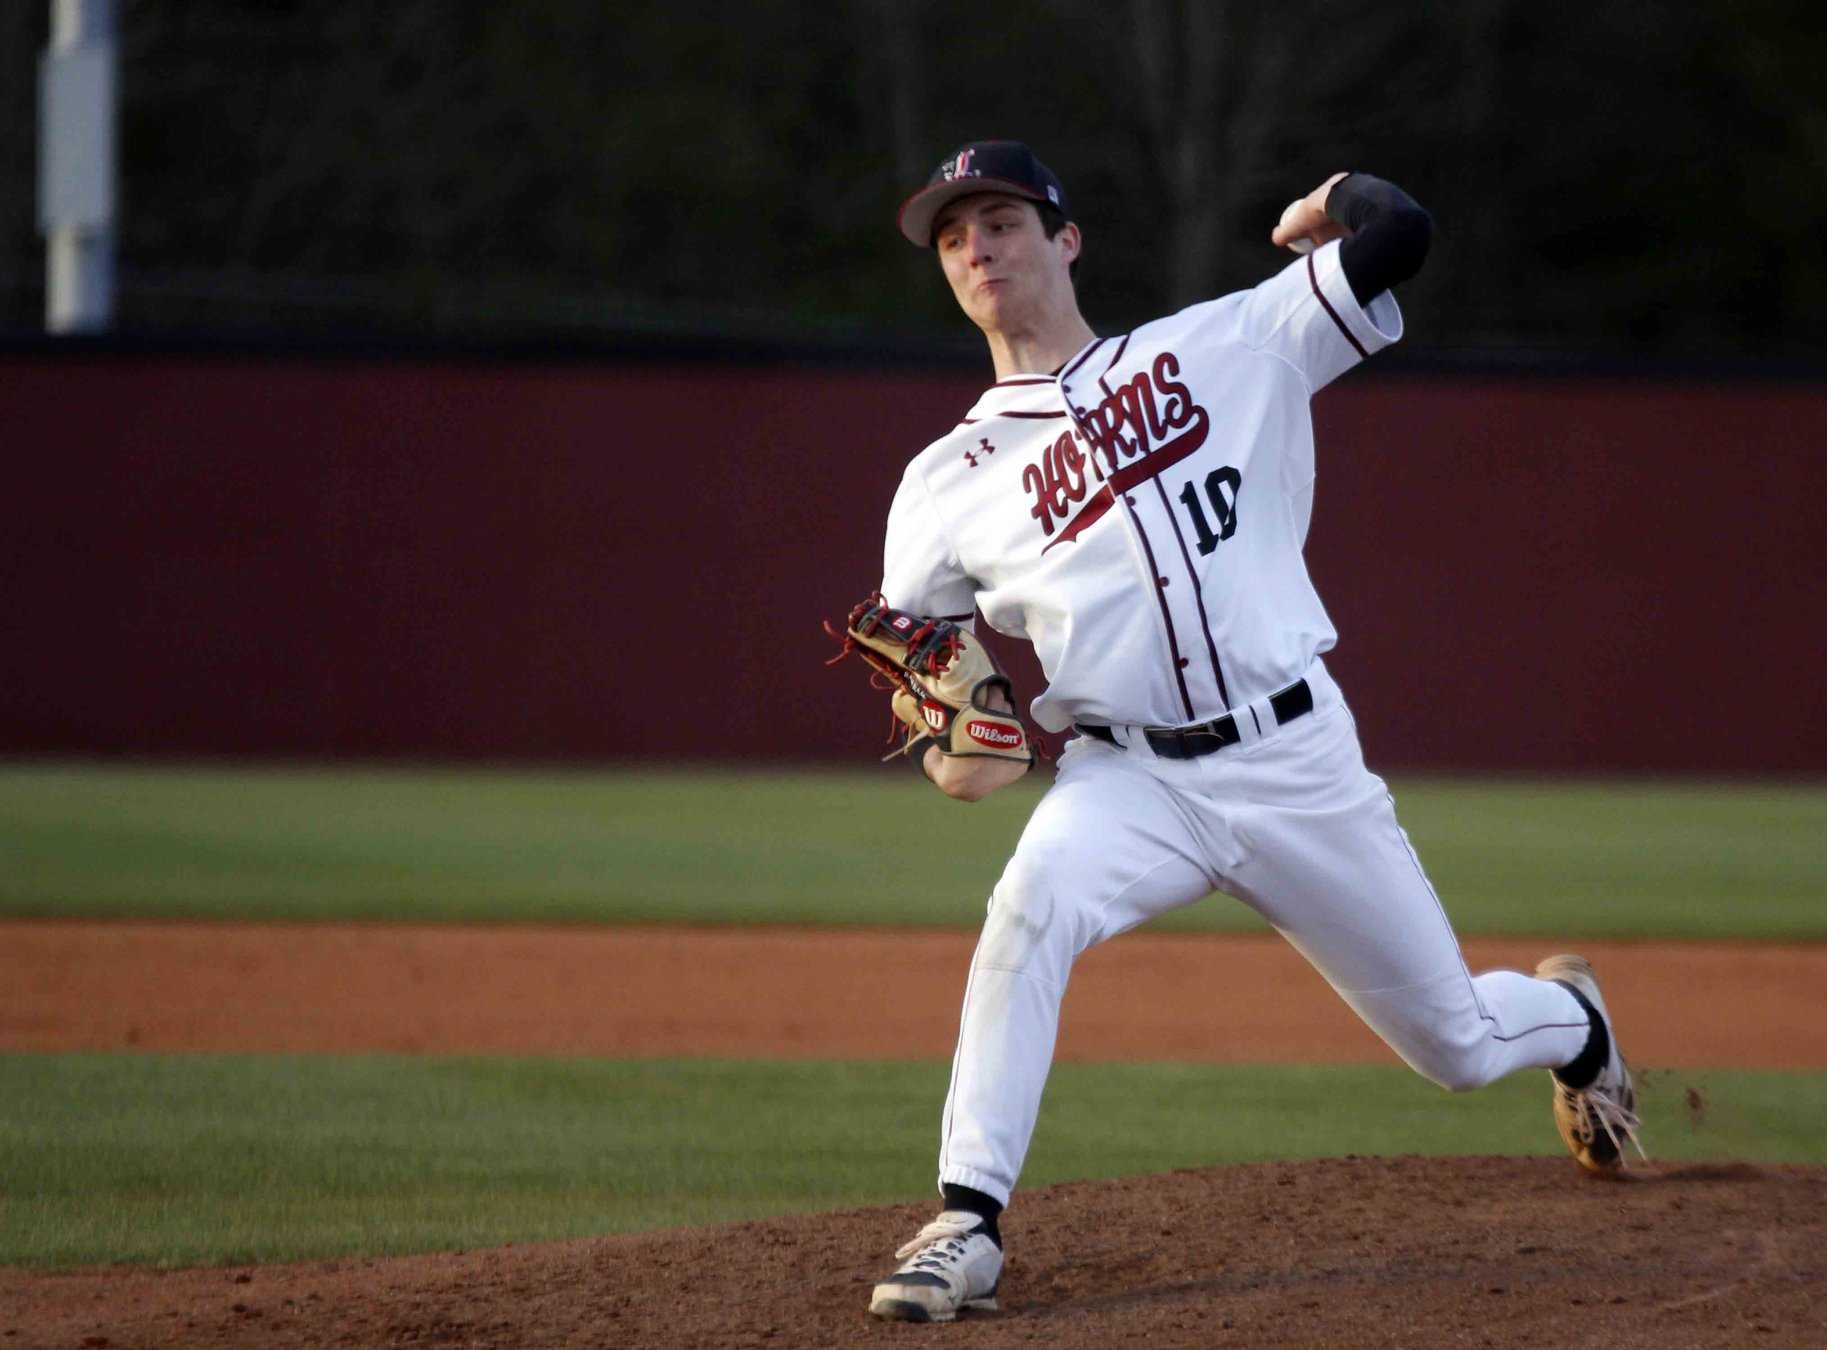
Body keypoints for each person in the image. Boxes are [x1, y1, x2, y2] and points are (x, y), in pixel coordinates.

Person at [858, 142, 1644, 1324]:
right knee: (1030, 904)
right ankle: (966, 1223)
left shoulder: (1224, 343)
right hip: (1129, 779)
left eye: (1004, 221)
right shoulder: (942, 482)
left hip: (1293, 763)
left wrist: (1330, 203)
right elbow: (930, 672)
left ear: (1066, 240)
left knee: (1458, 1046)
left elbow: (1403, 234)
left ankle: (1576, 1025)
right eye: (954, 235)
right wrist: (946, 747)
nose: (978, 246)